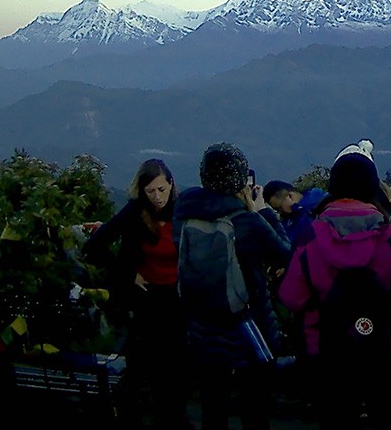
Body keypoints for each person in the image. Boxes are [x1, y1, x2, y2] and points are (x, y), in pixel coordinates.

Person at [279, 143, 391, 429]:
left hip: (328, 356)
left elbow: (292, 297)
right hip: (387, 354)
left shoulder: (308, 238)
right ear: (372, 188)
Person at [174, 143, 291, 430]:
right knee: (255, 411)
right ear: (240, 180)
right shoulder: (248, 221)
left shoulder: (184, 216)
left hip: (203, 331)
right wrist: (264, 212)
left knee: (213, 411)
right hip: (248, 330)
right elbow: (286, 253)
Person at [81, 159, 188, 428]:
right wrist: (128, 272)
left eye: (161, 190)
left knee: (174, 368)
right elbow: (94, 246)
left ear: (171, 185)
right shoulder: (134, 213)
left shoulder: (182, 212)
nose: (157, 197)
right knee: (141, 367)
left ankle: (172, 418)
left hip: (177, 299)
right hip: (147, 299)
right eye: (151, 191)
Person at [263, 180, 327, 244]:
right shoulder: (287, 219)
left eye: (279, 208)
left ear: (290, 196)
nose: (280, 212)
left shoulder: (319, 202)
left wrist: (298, 209)